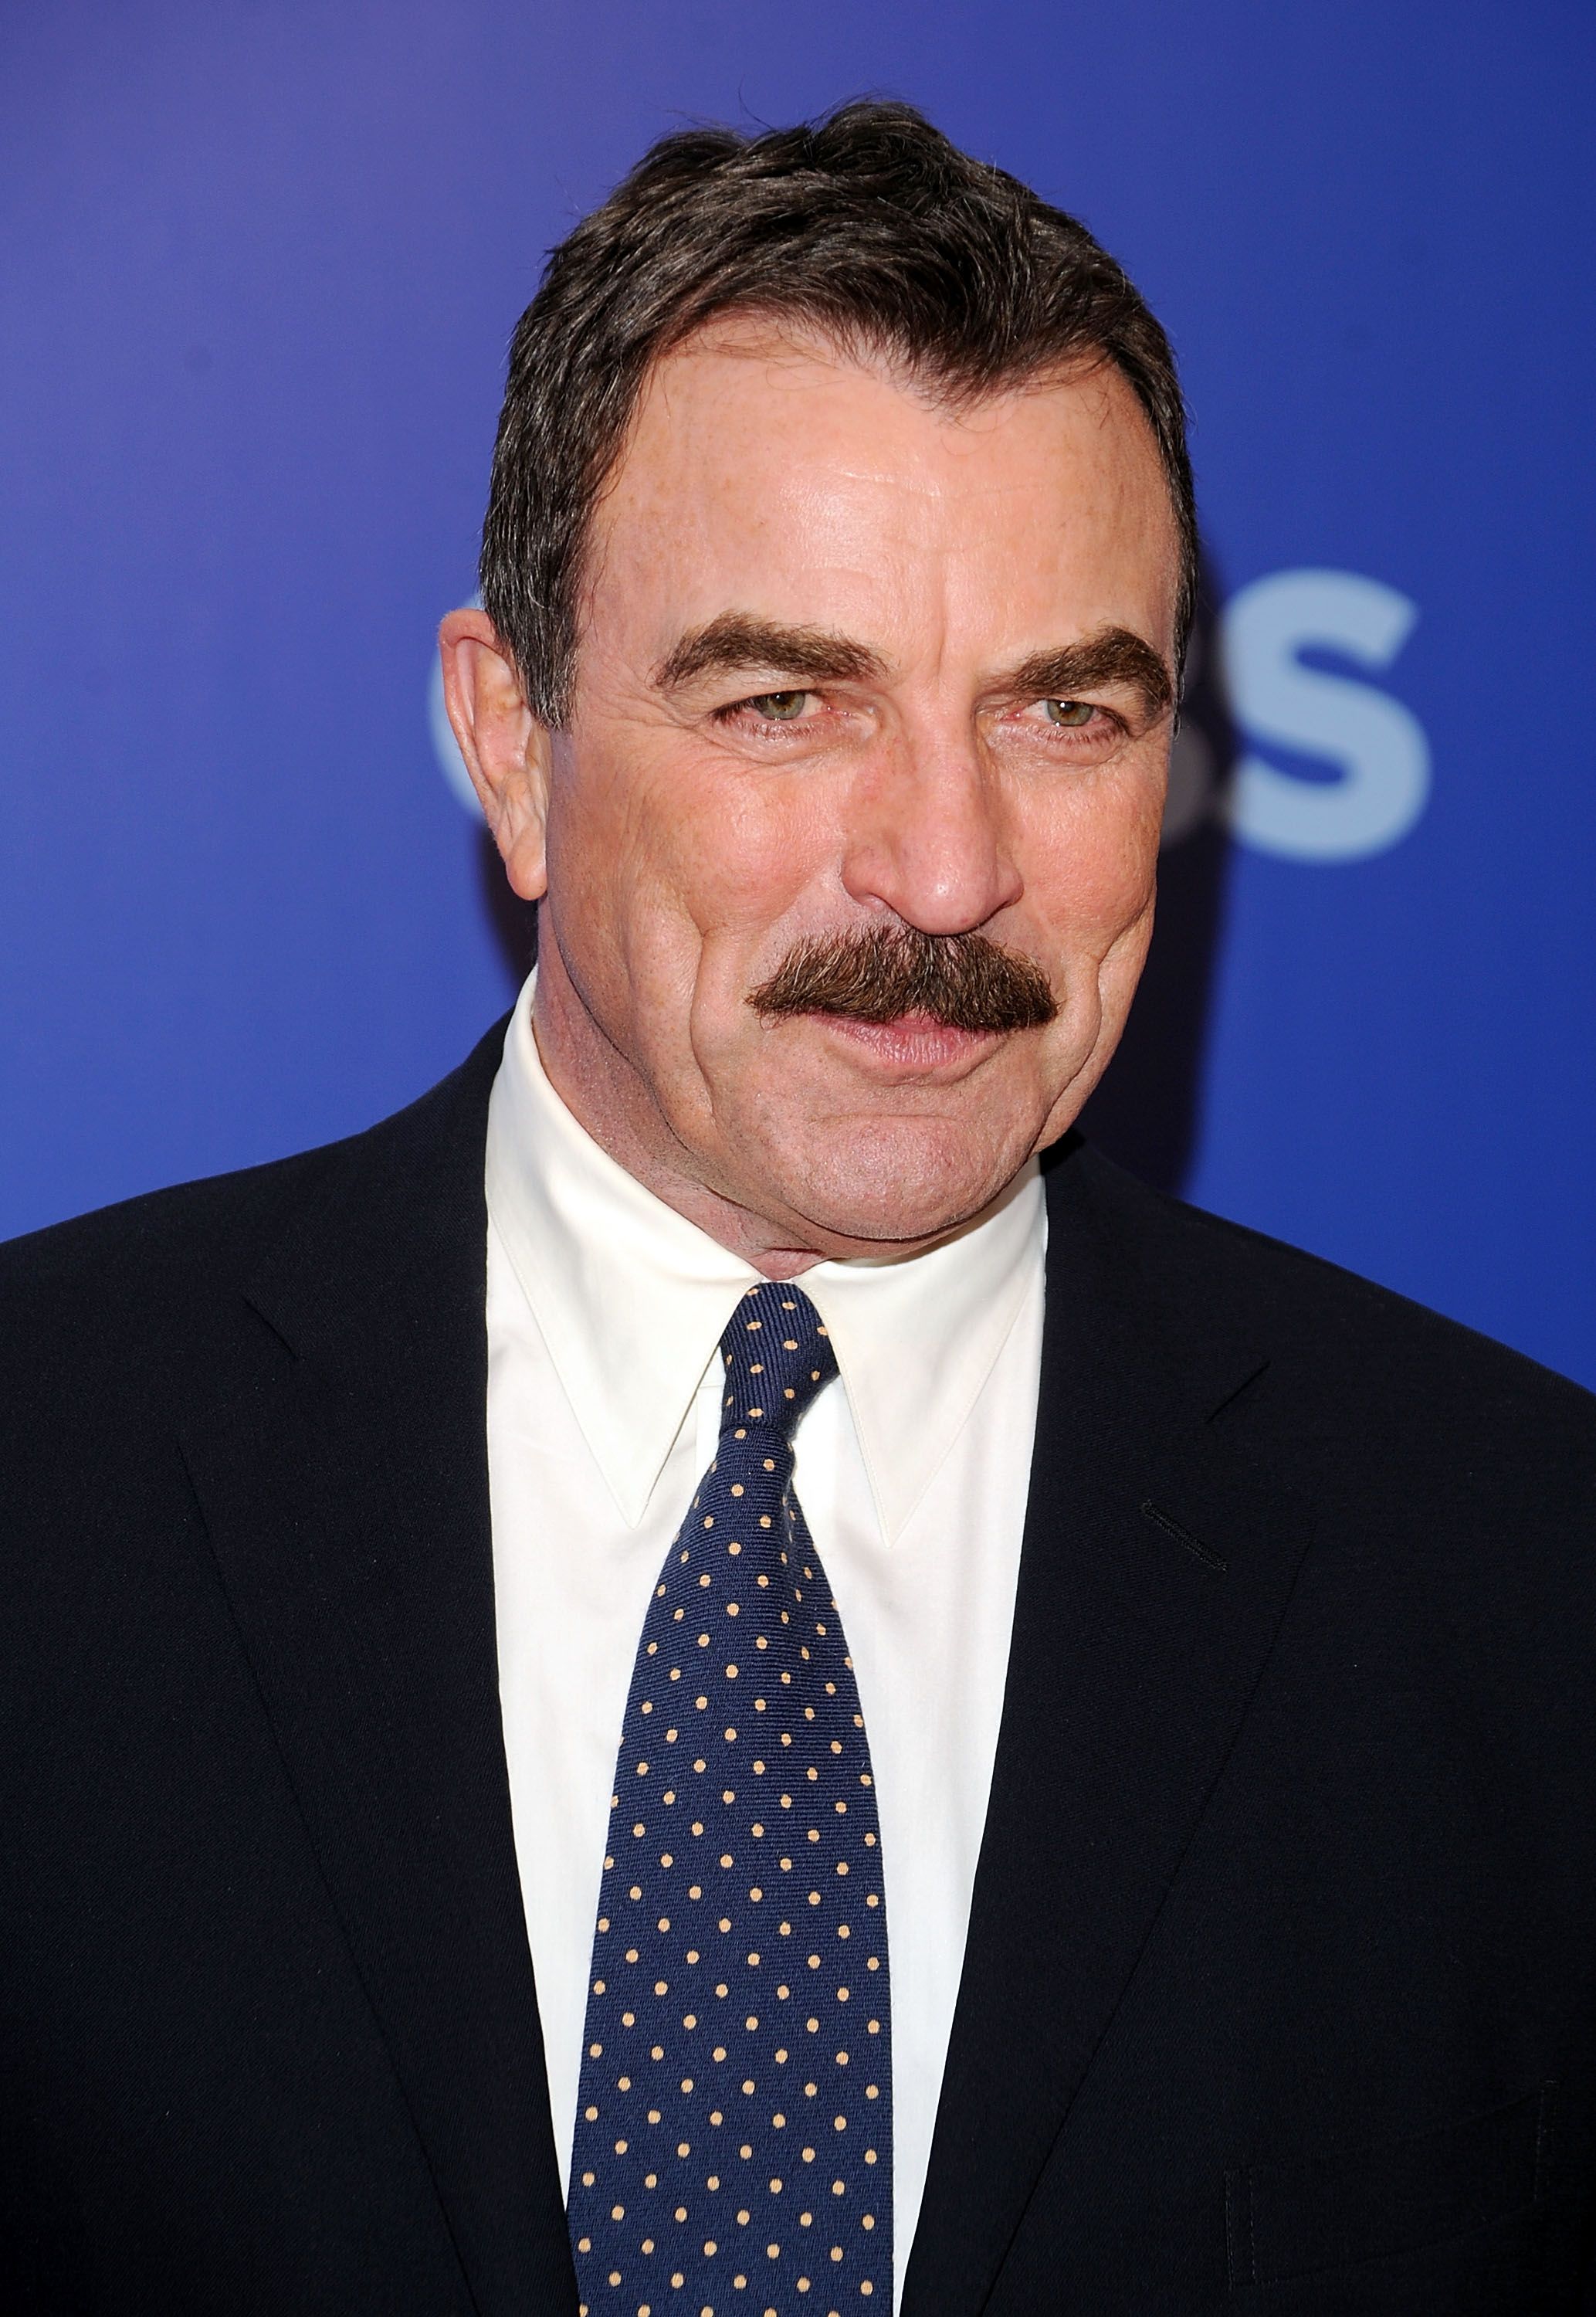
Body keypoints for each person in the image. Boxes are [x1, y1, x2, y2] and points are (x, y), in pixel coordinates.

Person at [2, 100, 1591, 2317]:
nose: (942, 872)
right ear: (513, 743)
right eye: (784, 700)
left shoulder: (1522, 1583)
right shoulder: (42, 1472)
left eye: (1062, 712)